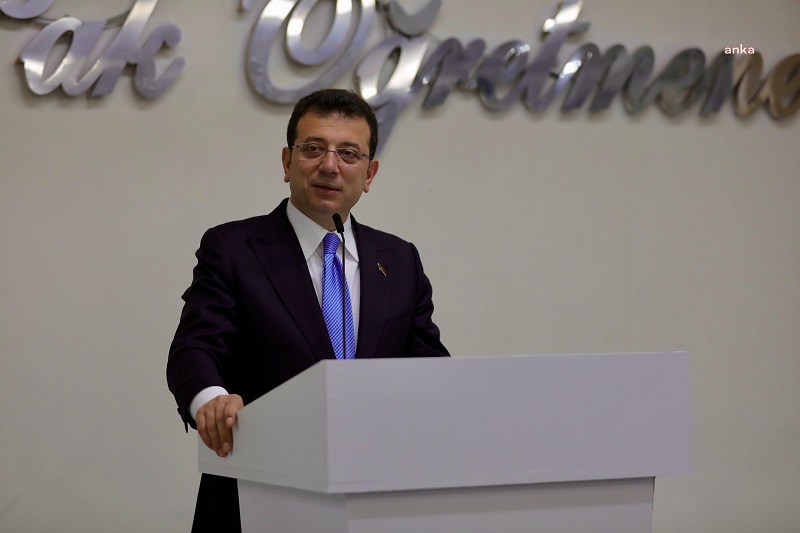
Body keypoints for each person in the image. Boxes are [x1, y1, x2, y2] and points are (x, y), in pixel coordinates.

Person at [166, 88, 449, 532]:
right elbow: (194, 348)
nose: (330, 166)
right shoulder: (234, 248)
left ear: (370, 173)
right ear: (287, 162)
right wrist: (212, 401)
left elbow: (430, 370)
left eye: (349, 154)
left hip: (373, 500)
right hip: (257, 495)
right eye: (314, 149)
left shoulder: (399, 260)